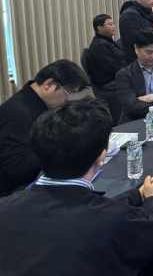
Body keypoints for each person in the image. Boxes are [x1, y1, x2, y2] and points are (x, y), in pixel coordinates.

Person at [0, 98, 153, 276]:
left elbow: (79, 211)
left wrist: (136, 195)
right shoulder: (111, 220)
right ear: (102, 157)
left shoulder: (6, 207)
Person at [0, 59, 88, 197]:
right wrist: (62, 148)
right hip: (15, 189)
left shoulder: (37, 102)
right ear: (49, 84)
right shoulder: (17, 114)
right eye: (69, 92)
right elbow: (15, 168)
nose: (68, 99)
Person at [87, 14, 125, 90]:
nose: (114, 26)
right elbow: (112, 69)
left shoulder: (107, 41)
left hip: (116, 77)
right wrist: (129, 72)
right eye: (110, 24)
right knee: (140, 81)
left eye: (113, 24)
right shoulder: (100, 46)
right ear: (100, 28)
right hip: (109, 82)